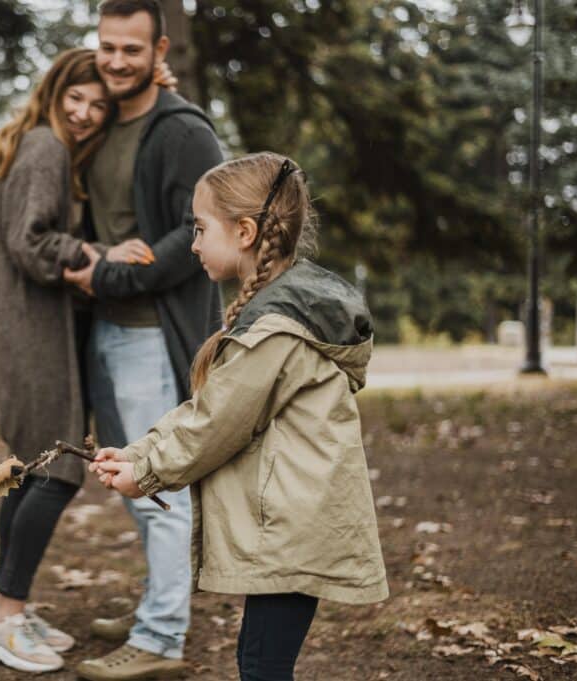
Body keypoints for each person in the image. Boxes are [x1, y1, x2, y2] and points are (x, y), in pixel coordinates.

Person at [90, 153, 390, 681]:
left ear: (245, 231)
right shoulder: (276, 313)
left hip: (293, 521)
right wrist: (140, 452)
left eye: (201, 228)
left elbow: (217, 423)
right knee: (260, 662)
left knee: (261, 666)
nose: (194, 244)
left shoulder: (275, 328)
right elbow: (211, 408)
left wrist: (148, 472)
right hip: (292, 517)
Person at [62, 2, 223, 679]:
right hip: (106, 330)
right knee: (133, 481)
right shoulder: (102, 122)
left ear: (159, 48)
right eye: (108, 47)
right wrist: (94, 262)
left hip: (155, 336)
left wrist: (113, 273)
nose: (118, 61)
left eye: (132, 48)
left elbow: (197, 233)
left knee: (159, 487)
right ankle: (161, 602)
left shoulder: (183, 131)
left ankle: (161, 637)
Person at [0, 47, 113, 675]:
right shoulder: (45, 148)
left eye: (97, 105)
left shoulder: (35, 144)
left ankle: (8, 611)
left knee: (32, 471)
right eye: (74, 100)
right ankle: (3, 616)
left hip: (27, 337)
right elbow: (29, 242)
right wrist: (96, 254)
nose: (83, 114)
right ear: (52, 95)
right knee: (58, 473)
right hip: (36, 341)